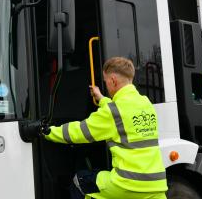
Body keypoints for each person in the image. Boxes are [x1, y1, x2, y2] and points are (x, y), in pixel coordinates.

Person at [44, 57, 168, 199]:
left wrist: (48, 131)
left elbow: (79, 132)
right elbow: (120, 113)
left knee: (80, 181)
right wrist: (102, 99)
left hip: (127, 184)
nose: (106, 85)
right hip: (157, 186)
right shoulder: (146, 104)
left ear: (113, 81)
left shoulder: (113, 112)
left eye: (106, 81)